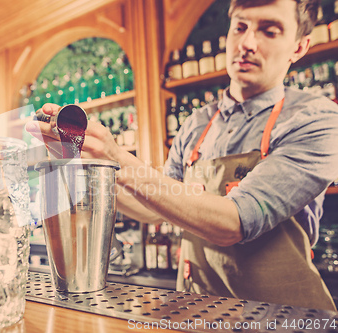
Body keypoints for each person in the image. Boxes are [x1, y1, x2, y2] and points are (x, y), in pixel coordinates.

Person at [26, 0, 338, 310]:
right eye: (239, 28)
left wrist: (116, 157)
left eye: (269, 31)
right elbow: (155, 209)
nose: (247, 43)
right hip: (201, 310)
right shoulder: (197, 124)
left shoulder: (317, 120)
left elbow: (234, 222)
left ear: (299, 47)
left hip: (282, 317)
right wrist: (90, 164)